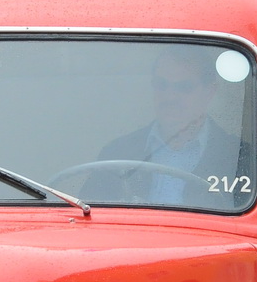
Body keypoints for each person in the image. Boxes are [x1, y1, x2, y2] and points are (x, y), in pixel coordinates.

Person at [94, 47, 247, 208]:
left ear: (209, 91)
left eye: (184, 87)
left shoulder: (239, 157)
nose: (170, 96)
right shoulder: (117, 153)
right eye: (161, 85)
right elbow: (90, 219)